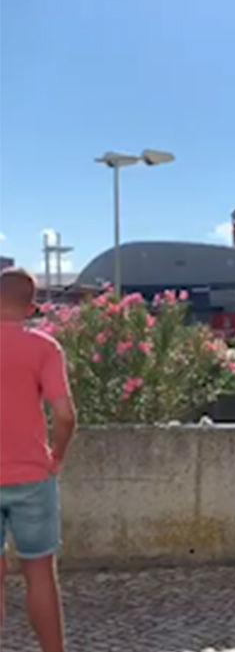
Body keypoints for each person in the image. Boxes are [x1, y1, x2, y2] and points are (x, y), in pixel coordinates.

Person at [0, 268, 77, 652]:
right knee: (40, 573)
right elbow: (64, 415)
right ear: (32, 308)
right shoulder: (45, 348)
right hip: (32, 474)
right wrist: (56, 457)